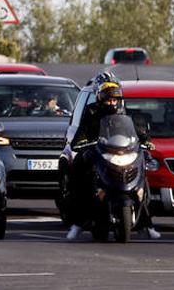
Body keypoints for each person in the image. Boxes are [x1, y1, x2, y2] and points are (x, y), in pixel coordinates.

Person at [65, 74, 160, 240]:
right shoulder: (92, 111)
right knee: (80, 170)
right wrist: (81, 143)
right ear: (100, 97)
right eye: (108, 99)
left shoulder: (124, 112)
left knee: (141, 178)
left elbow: (137, 130)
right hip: (98, 152)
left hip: (120, 152)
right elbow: (81, 133)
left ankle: (146, 224)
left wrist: (145, 141)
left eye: (115, 99)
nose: (112, 102)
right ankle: (78, 223)